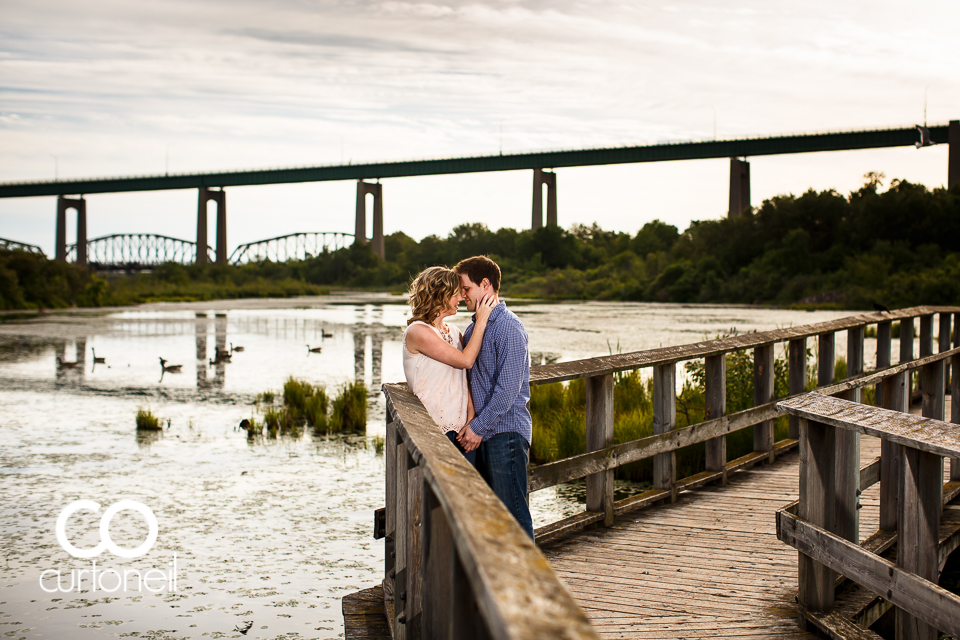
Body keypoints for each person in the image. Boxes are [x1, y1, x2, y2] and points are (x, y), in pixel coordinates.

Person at [454, 256, 534, 539]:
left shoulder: (509, 327)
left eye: (466, 289)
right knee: (490, 520)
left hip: (506, 434)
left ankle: (530, 582)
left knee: (513, 516)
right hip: (484, 434)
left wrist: (477, 427)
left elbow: (508, 391)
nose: (462, 295)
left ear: (485, 284)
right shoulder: (473, 328)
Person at [402, 266, 496, 465]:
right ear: (441, 295)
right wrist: (482, 320)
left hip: (461, 431)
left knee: (465, 491)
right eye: (456, 293)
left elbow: (465, 378)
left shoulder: (454, 332)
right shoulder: (418, 331)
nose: (461, 298)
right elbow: (466, 360)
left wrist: (471, 418)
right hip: (432, 430)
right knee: (437, 493)